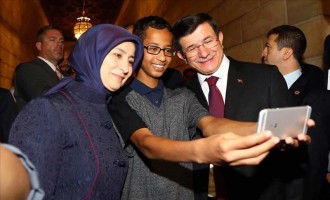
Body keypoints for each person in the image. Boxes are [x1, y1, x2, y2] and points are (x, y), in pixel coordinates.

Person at [108, 16, 287, 200]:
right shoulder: (119, 99)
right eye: (153, 49)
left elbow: (211, 124)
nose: (161, 57)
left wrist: (264, 128)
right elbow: (147, 144)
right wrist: (204, 151)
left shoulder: (181, 96)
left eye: (167, 50)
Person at [172, 13, 308, 200]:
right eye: (192, 48)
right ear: (181, 55)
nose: (203, 53)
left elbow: (294, 156)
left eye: (208, 41)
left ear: (220, 38)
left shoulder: (265, 77)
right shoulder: (179, 94)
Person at [9, 24, 144, 199]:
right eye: (118, 55)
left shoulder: (106, 107)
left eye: (131, 61)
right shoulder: (48, 109)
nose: (126, 68)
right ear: (92, 54)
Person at [262, 24, 330, 200]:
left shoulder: (316, 95)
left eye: (268, 47)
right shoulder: (260, 88)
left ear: (286, 53)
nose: (263, 53)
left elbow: (316, 158)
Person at [13, 25, 64, 110]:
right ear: (39, 46)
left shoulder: (66, 75)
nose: (59, 44)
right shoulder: (27, 70)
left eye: (61, 41)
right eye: (52, 40)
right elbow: (45, 99)